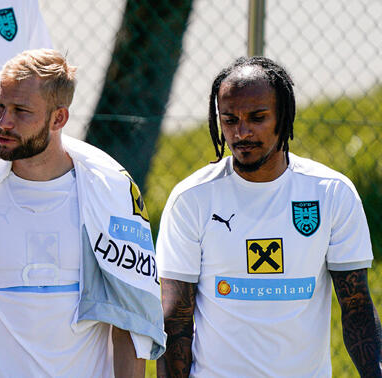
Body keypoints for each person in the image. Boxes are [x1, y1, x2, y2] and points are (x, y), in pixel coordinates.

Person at [0, 49, 165, 377]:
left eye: (21, 111)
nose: (4, 122)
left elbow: (128, 325)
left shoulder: (108, 200)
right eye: (0, 106)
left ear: (58, 119)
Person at [156, 56, 382, 377]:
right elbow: (175, 320)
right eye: (229, 120)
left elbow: (356, 307)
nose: (241, 132)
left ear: (283, 116)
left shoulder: (331, 192)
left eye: (257, 118)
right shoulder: (192, 199)